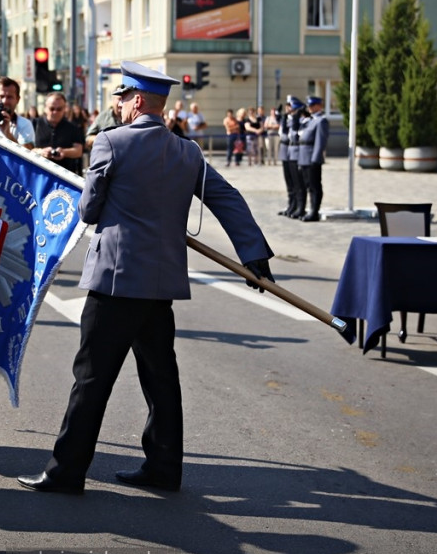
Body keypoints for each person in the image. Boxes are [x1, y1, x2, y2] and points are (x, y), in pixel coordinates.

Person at [17, 61, 274, 495]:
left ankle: (66, 471)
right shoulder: (187, 152)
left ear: (137, 101)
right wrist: (254, 255)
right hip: (160, 286)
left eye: (121, 99)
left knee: (92, 379)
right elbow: (227, 199)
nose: (116, 107)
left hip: (116, 284)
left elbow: (88, 211)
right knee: (161, 379)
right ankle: (163, 466)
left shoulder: (111, 144)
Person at [33, 91, 84, 174]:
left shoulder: (72, 127)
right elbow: (25, 148)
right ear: (45, 108)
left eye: (59, 109)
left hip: (64, 175)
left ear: (64, 109)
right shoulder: (35, 124)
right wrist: (41, 152)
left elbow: (78, 151)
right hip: (39, 173)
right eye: (52, 109)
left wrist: (64, 152)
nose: (55, 112)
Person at [297, 96, 330, 222]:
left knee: (314, 186)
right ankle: (310, 209)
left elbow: (320, 142)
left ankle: (314, 211)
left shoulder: (321, 121)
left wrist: (315, 159)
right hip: (304, 157)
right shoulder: (310, 120)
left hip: (312, 157)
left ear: (318, 106)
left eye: (312, 106)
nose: (309, 108)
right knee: (307, 185)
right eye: (309, 106)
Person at [0, 76, 34, 149]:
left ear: (17, 99)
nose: (5, 101)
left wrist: (8, 134)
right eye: (1, 96)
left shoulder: (25, 124)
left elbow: (28, 154)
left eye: (10, 97)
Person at [279, 96, 307, 218]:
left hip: (296, 152)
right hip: (288, 151)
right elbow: (283, 134)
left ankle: (300, 207)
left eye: (290, 107)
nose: (288, 109)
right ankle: (292, 205)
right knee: (290, 181)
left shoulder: (301, 121)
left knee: (298, 183)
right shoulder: (290, 119)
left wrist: (294, 121)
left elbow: (296, 136)